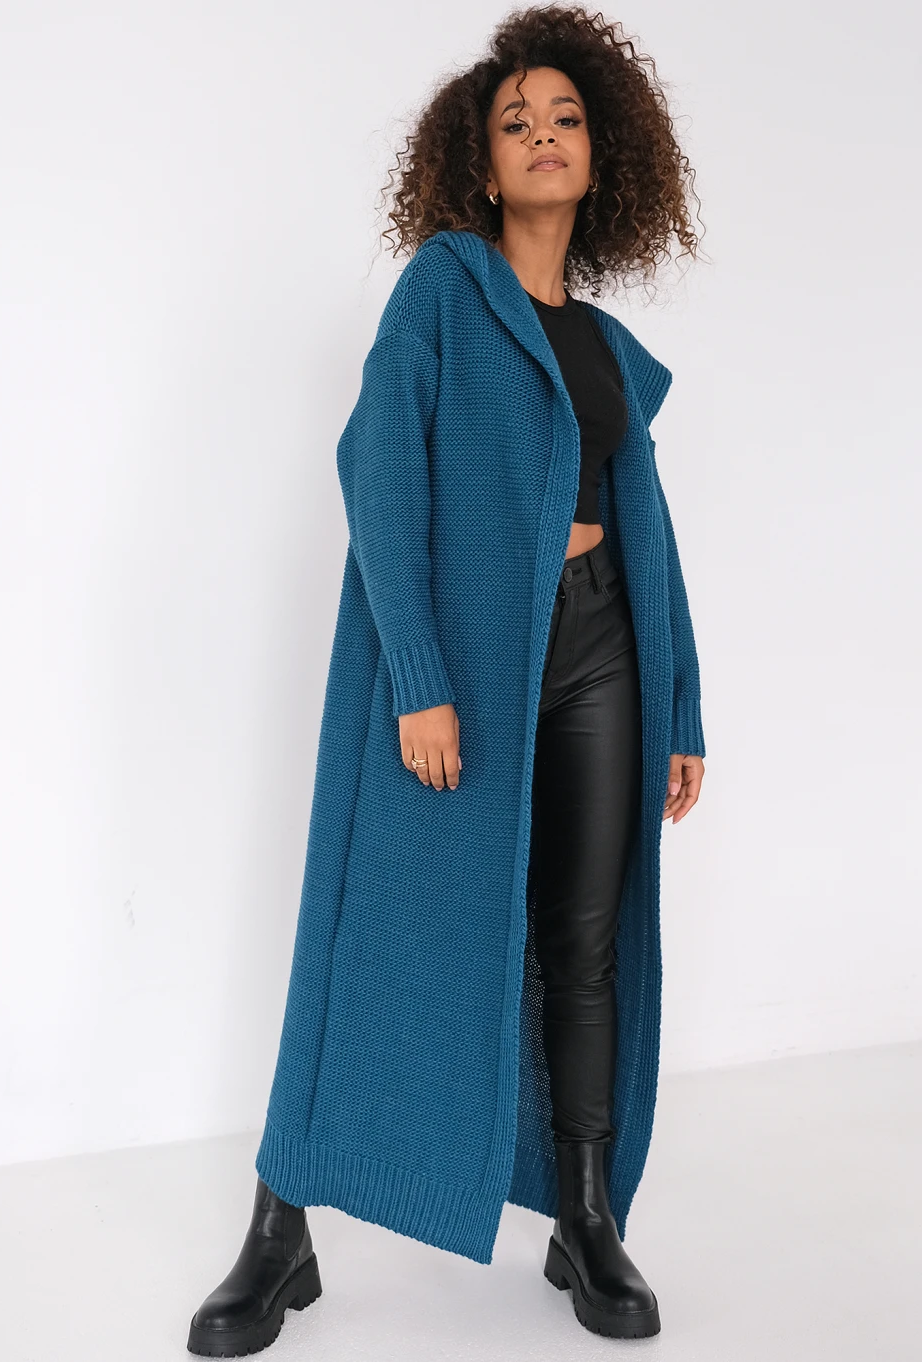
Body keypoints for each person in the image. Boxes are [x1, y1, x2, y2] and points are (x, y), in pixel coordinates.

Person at [187, 5, 706, 1354]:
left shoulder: (602, 345)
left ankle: (586, 1217)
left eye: (566, 118)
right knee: (372, 930)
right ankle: (279, 1227)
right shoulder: (443, 291)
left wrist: (681, 707)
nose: (543, 136)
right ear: (480, 165)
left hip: (602, 652)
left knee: (581, 943)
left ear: (604, 156)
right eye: (515, 122)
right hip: (465, 668)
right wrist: (418, 676)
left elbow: (647, 532)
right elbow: (377, 470)